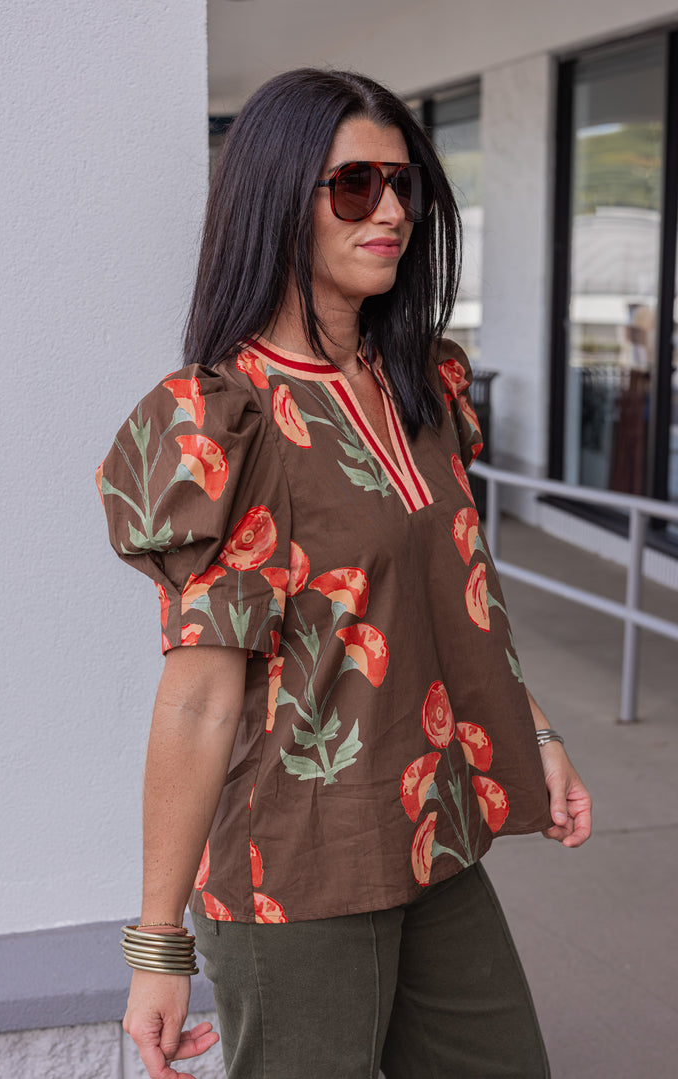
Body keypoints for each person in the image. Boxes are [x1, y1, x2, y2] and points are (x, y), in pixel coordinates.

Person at [97, 68, 591, 1079]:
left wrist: (535, 733)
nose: (394, 211)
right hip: (298, 865)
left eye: (405, 185)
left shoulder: (419, 383)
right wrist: (159, 944)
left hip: (435, 828)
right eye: (355, 186)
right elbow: (197, 699)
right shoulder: (218, 420)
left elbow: (460, 596)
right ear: (280, 202)